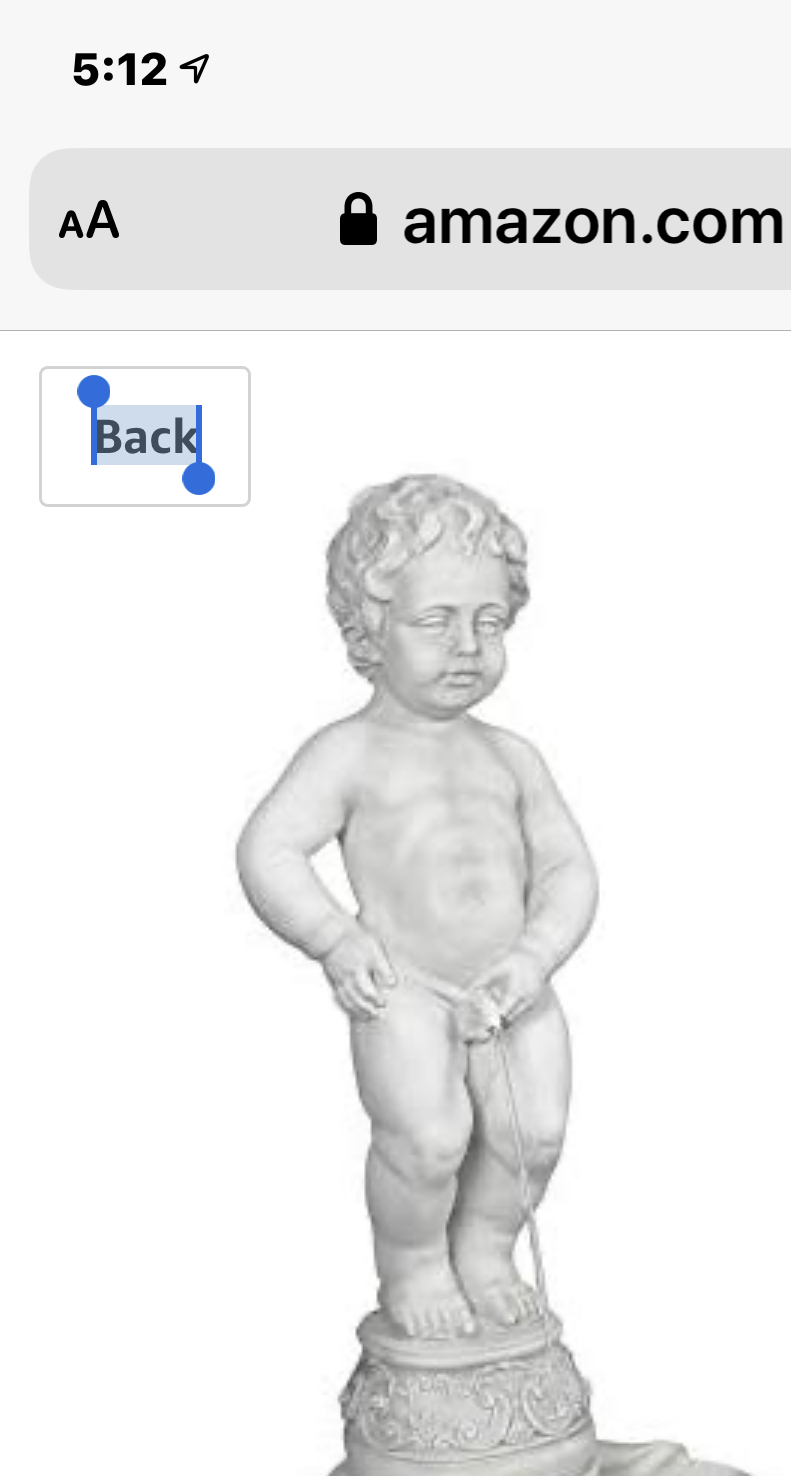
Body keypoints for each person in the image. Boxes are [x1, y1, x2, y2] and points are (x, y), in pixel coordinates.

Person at [238, 475, 598, 1340]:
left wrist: (533, 959)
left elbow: (568, 869)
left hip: (512, 984)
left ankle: (484, 1250)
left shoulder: (513, 756)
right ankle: (414, 1266)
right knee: (426, 1141)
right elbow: (268, 849)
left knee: (534, 1135)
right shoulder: (347, 753)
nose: (467, 645)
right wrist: (333, 937)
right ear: (371, 626)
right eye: (436, 621)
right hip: (404, 985)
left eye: (489, 621)